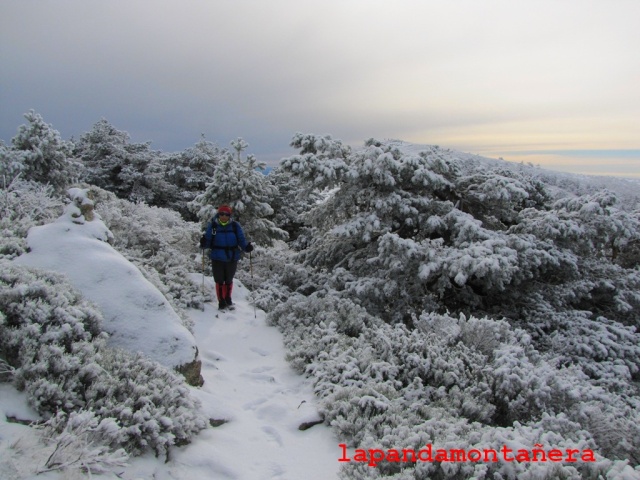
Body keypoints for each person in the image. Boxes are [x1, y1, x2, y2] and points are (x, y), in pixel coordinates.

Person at [200, 205, 253, 310]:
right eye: (221, 214)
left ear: (229, 215)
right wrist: (204, 243)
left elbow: (241, 239)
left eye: (226, 214)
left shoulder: (235, 226)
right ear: (218, 214)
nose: (224, 216)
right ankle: (221, 301)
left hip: (232, 257)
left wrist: (246, 247)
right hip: (217, 257)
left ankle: (228, 298)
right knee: (219, 280)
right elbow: (208, 240)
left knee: (229, 279)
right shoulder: (213, 226)